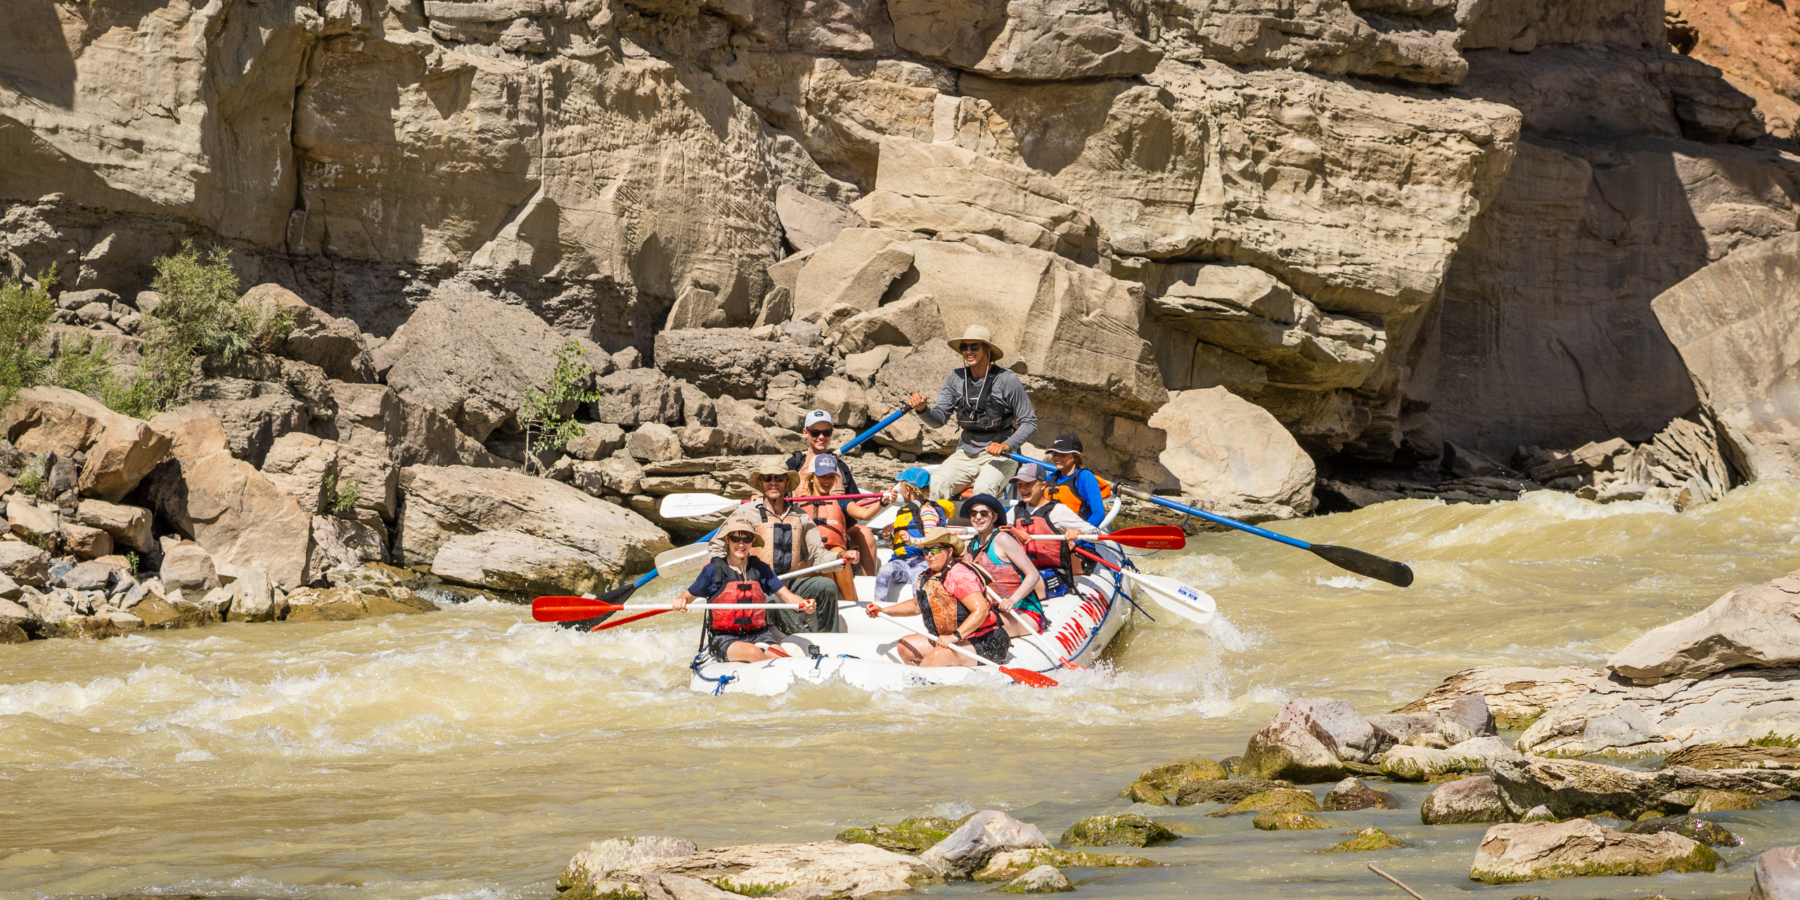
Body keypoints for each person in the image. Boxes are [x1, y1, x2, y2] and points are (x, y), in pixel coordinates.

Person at [710, 459, 856, 634]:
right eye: (767, 478)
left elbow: (817, 556)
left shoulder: (800, 517)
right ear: (761, 482)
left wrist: (841, 557)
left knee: (826, 585)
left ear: (787, 481)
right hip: (756, 587)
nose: (773, 482)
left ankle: (828, 638)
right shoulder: (746, 513)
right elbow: (717, 546)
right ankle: (804, 640)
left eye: (778, 478)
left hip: (788, 584)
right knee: (776, 601)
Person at [906, 325, 1038, 501]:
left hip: (1001, 455)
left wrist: (1006, 446)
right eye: (964, 347)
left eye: (974, 346)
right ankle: (937, 528)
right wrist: (922, 409)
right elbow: (938, 419)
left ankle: (986, 527)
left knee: (984, 488)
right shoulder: (955, 377)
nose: (968, 351)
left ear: (987, 349)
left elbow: (1029, 422)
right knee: (938, 483)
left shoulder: (1007, 380)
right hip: (966, 452)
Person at [672, 517, 813, 662]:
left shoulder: (761, 569)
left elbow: (788, 597)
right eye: (735, 538)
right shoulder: (713, 571)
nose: (741, 544)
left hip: (759, 635)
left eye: (746, 539)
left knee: (782, 658)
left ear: (752, 541)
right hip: (724, 638)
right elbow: (686, 597)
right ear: (728, 539)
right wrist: (680, 601)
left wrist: (804, 604)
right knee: (752, 652)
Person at [866, 528, 1009, 667]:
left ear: (950, 551)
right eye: (926, 551)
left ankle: (923, 682)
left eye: (934, 550)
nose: (929, 555)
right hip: (952, 639)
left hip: (987, 640)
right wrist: (883, 610)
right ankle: (933, 678)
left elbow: (981, 611)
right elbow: (915, 606)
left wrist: (954, 637)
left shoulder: (960, 575)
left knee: (937, 656)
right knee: (905, 647)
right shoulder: (929, 576)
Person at [961, 493, 1048, 633]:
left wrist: (1012, 600)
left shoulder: (1002, 539)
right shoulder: (971, 545)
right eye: (973, 513)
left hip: (1022, 611)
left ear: (994, 517)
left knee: (978, 630)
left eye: (984, 513)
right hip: (993, 610)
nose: (978, 517)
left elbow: (1033, 574)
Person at [871, 467, 954, 602]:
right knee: (884, 571)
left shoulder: (927, 511)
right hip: (903, 563)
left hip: (923, 561)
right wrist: (888, 537)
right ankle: (879, 607)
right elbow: (899, 548)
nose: (900, 491)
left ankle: (921, 612)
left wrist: (911, 540)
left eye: (901, 487)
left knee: (919, 578)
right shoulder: (905, 512)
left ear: (907, 490)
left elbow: (932, 540)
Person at [1009, 464, 1091, 597]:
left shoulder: (1058, 511)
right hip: (1026, 571)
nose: (1023, 489)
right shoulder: (1015, 512)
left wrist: (1079, 534)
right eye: (1019, 485)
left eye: (1028, 484)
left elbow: (1095, 532)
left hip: (1055, 574)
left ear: (1042, 485)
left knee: (1027, 584)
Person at [796, 453, 880, 576]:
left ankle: (867, 581)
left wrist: (882, 503)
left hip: (836, 552)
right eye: (822, 476)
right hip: (811, 556)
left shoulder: (841, 501)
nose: (827, 480)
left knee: (837, 553)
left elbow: (865, 514)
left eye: (831, 476)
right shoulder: (798, 504)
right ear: (812, 477)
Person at [788, 409, 861, 496]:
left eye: (826, 432)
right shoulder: (794, 463)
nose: (821, 437)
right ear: (806, 432)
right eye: (815, 433)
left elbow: (857, 501)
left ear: (832, 431)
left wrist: (879, 502)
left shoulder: (840, 466)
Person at [1044, 433, 1109, 528]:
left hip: (1077, 539)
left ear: (1077, 456)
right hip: (1052, 537)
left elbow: (1099, 514)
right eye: (1055, 454)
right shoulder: (1050, 478)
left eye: (1062, 454)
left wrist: (1079, 535)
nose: (1057, 458)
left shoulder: (1085, 477)